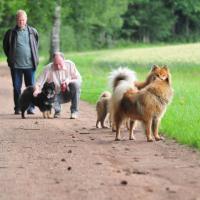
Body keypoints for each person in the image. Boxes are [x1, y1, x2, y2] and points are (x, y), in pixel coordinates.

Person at [3, 9, 39, 115]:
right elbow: (6, 47)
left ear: (26, 19)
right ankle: (18, 108)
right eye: (19, 20)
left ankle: (31, 108)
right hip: (16, 66)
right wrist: (11, 58)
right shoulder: (10, 33)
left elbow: (35, 45)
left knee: (31, 87)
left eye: (23, 20)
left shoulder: (33, 32)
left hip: (30, 65)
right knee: (17, 88)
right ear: (16, 20)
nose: (21, 22)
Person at [34, 52, 82, 119]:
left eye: (60, 64)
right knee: (48, 96)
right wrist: (36, 90)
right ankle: (57, 111)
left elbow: (79, 79)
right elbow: (38, 83)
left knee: (76, 85)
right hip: (55, 95)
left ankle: (74, 112)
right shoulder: (47, 68)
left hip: (69, 92)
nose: (58, 67)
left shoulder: (70, 64)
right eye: (56, 64)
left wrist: (68, 81)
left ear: (64, 60)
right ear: (52, 61)